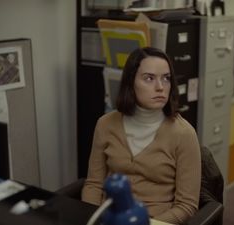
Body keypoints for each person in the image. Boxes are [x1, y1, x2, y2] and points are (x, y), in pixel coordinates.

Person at [81, 47, 201, 225]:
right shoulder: (105, 124)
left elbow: (186, 205)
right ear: (131, 83)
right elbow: (94, 184)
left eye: (166, 78)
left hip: (156, 221)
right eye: (149, 78)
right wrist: (91, 218)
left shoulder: (184, 134)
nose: (160, 87)